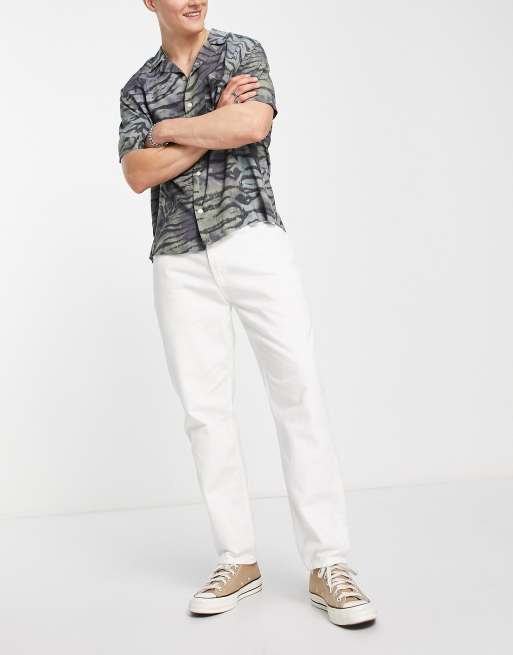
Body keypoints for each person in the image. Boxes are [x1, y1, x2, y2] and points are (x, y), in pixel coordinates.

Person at [118, 0, 377, 627]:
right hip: (178, 255)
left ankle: (329, 563)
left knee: (298, 391)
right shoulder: (138, 87)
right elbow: (137, 172)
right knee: (204, 412)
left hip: (252, 237)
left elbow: (251, 125)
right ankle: (237, 560)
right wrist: (210, 122)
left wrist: (170, 129)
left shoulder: (240, 51)